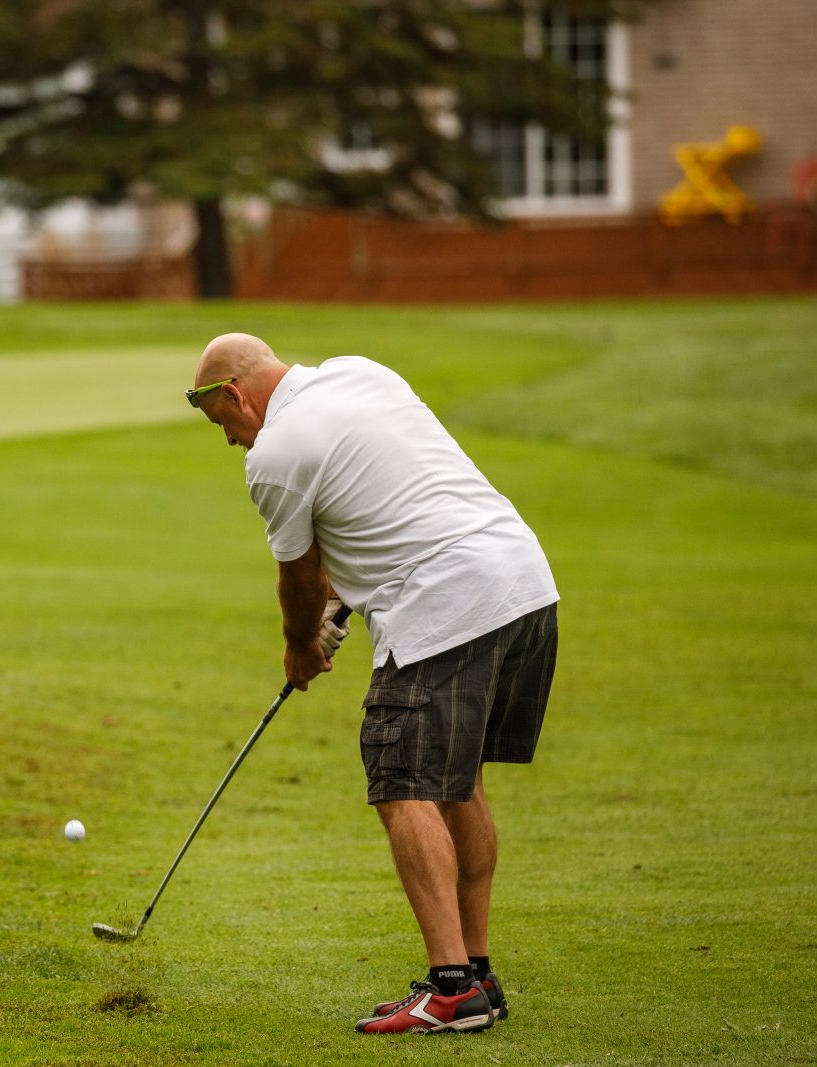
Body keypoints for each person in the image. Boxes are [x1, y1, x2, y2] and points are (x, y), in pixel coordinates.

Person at [188, 333, 559, 1035]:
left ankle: (451, 990)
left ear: (235, 396)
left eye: (223, 425)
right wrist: (336, 606)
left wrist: (301, 643)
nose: (231, 441)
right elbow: (384, 503)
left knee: (403, 782)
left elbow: (299, 577)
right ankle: (477, 975)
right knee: (456, 780)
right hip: (525, 585)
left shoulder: (274, 454)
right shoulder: (362, 373)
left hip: (448, 602)